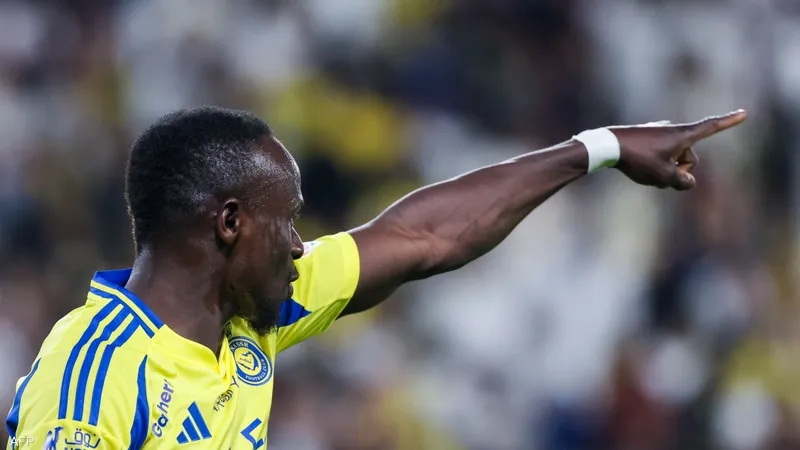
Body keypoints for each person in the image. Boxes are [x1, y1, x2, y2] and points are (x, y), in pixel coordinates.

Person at [5, 106, 746, 449]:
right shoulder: (93, 379)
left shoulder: (253, 315)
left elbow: (424, 237)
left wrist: (600, 147)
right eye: (288, 221)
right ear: (230, 224)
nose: (301, 246)